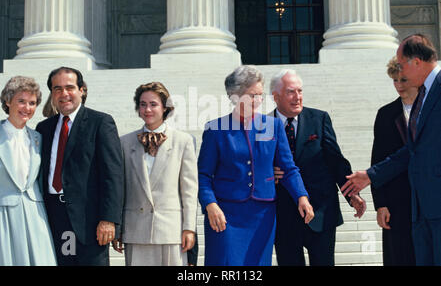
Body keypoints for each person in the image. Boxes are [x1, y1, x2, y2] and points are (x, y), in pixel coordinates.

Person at [198, 65, 314, 266]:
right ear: (235, 97)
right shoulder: (215, 129)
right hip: (225, 215)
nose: (258, 101)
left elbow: (288, 168)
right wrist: (210, 205)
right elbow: (203, 176)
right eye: (252, 96)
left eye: (260, 95)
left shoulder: (274, 125)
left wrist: (301, 196)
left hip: (262, 214)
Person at [341, 34, 441, 266]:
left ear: (417, 62)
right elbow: (414, 149)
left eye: (403, 65)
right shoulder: (423, 97)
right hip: (421, 210)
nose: (401, 74)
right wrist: (371, 175)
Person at [270, 69, 366, 266]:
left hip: (321, 211)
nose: (298, 97)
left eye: (300, 91)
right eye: (290, 92)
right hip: (283, 216)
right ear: (275, 96)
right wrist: (266, 172)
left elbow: (336, 161)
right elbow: (252, 164)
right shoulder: (262, 126)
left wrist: (351, 194)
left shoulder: (319, 119)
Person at [36, 66, 124, 266]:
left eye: (69, 87)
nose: (64, 94)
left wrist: (109, 219)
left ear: (81, 90)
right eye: (57, 89)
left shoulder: (101, 122)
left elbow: (113, 174)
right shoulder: (44, 128)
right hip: (52, 217)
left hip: (89, 222)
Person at [114, 82, 198, 266]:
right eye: (143, 104)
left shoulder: (183, 141)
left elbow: (189, 191)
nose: (147, 109)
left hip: (171, 231)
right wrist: (118, 227)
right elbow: (120, 189)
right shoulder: (124, 142)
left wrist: (189, 228)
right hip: (136, 230)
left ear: (165, 107)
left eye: (153, 104)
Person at [0, 76, 57, 266]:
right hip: (3, 214)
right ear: (8, 101)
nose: (27, 108)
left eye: (32, 103)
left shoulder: (39, 138)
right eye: (21, 101)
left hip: (35, 213)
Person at [370, 57, 417, 266]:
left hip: (428, 201)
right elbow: (377, 160)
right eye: (395, 80)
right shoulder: (386, 114)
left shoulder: (433, 110)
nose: (398, 85)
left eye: (403, 80)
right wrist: (381, 204)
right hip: (396, 203)